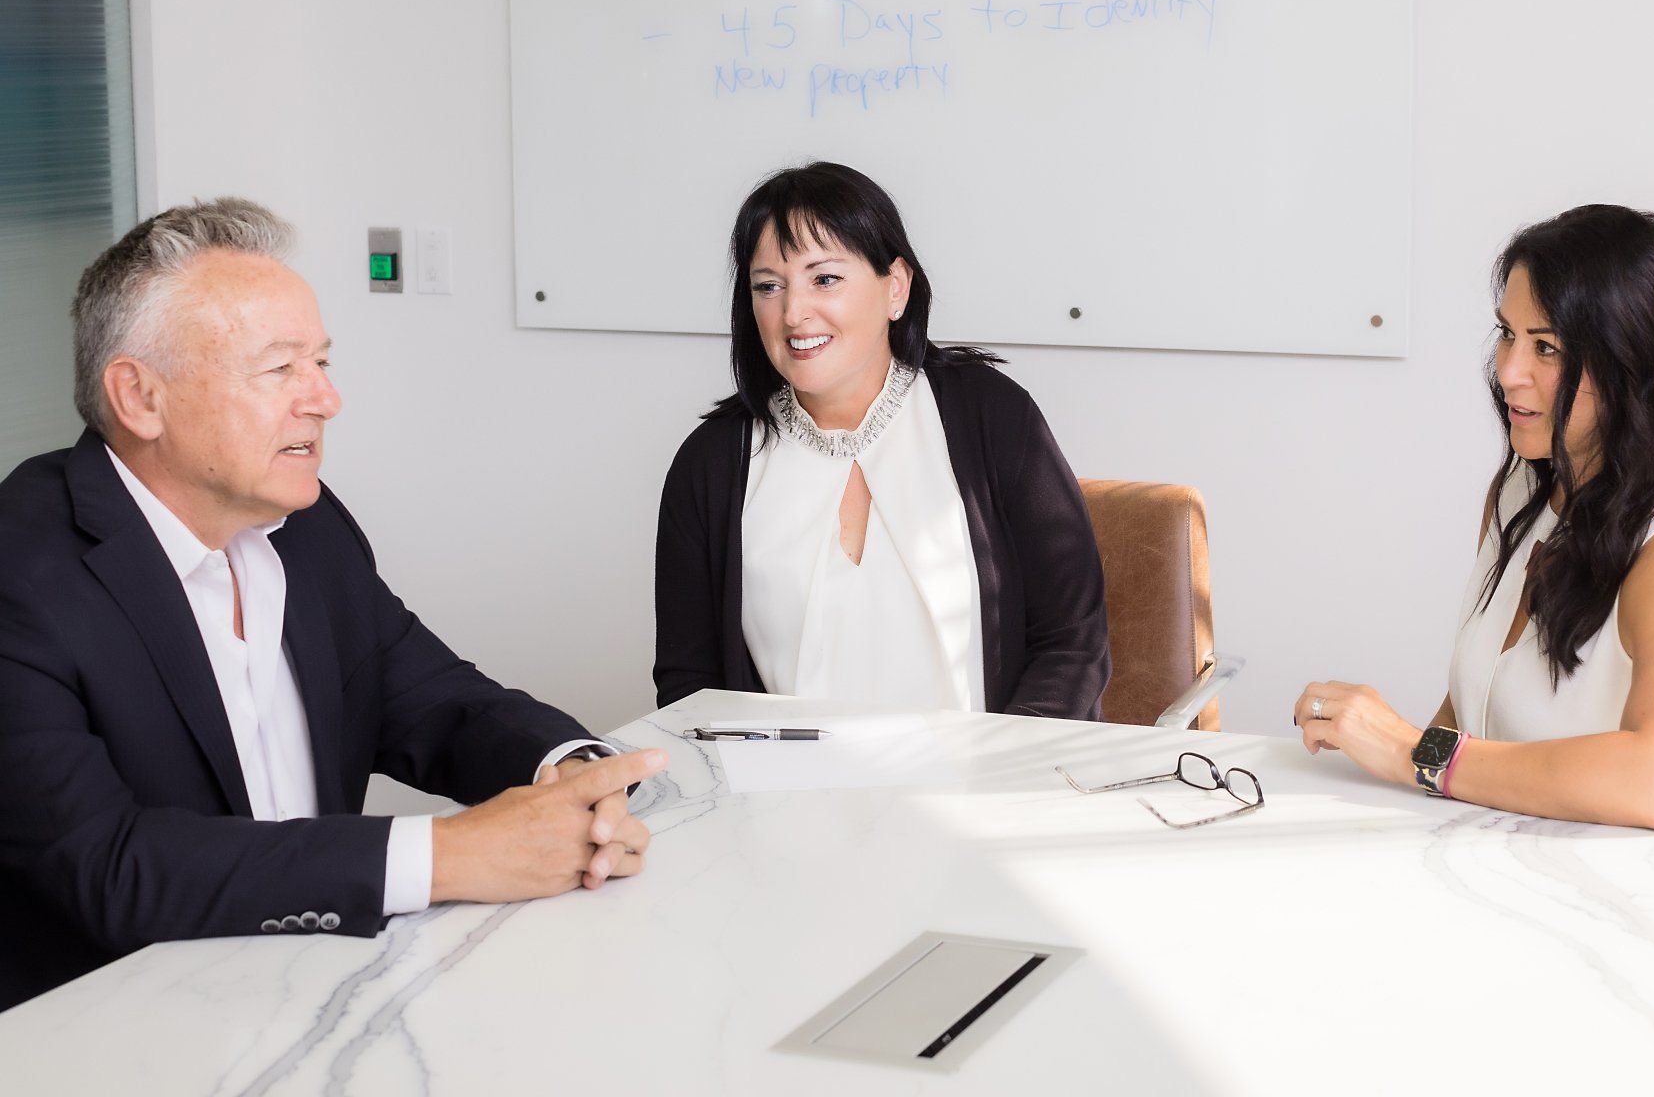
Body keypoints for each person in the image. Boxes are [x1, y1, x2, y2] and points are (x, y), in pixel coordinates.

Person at [0, 198, 667, 1011]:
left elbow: (435, 701)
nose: (324, 399)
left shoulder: (307, 527)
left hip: (315, 1002)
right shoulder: (23, 571)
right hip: (102, 1030)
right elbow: (107, 865)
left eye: (322, 363)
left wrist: (574, 775)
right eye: (280, 369)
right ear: (140, 398)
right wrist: (447, 855)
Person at [1292, 204, 1654, 829]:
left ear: (1634, 366)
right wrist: (1380, 753)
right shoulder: (1527, 492)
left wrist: (1410, 751)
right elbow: (1480, 711)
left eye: (1547, 347)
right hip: (1527, 878)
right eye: (1507, 334)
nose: (1508, 373)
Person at [654, 162, 1111, 718]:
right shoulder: (712, 463)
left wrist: (1003, 778)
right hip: (784, 797)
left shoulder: (988, 413)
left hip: (986, 784)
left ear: (895, 287)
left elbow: (1072, 640)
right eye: (768, 286)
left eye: (824, 278)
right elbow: (689, 685)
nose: (794, 313)